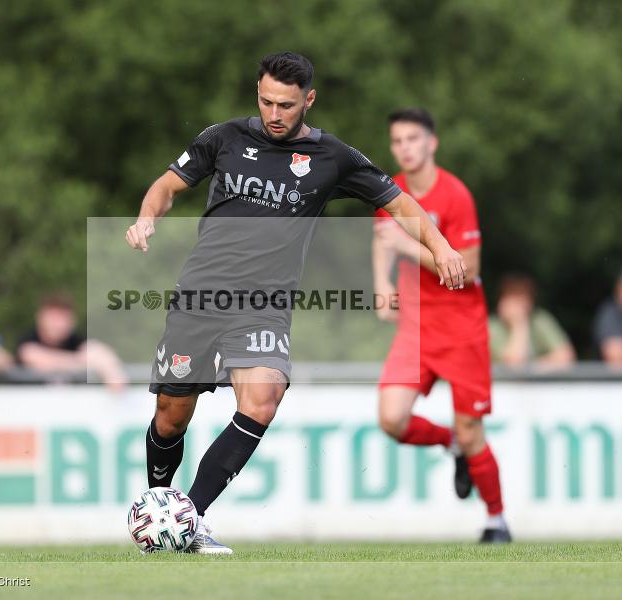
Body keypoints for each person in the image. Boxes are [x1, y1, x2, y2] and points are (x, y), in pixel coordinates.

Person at [124, 53, 466, 554]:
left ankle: (188, 520)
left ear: (308, 99)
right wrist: (146, 217)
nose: (274, 113)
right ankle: (160, 507)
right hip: (200, 296)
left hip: (263, 305)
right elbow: (167, 185)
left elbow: (399, 204)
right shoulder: (223, 138)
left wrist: (441, 246)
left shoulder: (334, 158)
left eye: (286, 104)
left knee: (263, 398)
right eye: (266, 102)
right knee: (172, 416)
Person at [372, 108, 510, 543]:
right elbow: (383, 240)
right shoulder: (390, 190)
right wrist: (380, 283)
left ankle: (496, 520)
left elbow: (467, 270)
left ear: (432, 142)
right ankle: (449, 442)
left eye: (413, 139)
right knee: (392, 419)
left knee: (474, 432)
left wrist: (408, 248)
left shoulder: (455, 195)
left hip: (461, 330)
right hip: (415, 330)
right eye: (397, 141)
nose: (405, 148)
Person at [16, 292, 128, 393]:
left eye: (64, 318)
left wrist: (111, 371)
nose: (59, 324)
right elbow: (34, 357)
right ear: (41, 318)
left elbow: (98, 351)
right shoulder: (28, 339)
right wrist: (84, 362)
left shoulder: (76, 340)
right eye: (55, 318)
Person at [488, 274, 575, 368]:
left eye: (522, 297)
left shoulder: (540, 320)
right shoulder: (491, 327)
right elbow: (513, 365)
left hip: (536, 382)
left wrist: (533, 368)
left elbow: (565, 356)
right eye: (513, 297)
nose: (518, 306)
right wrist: (519, 324)